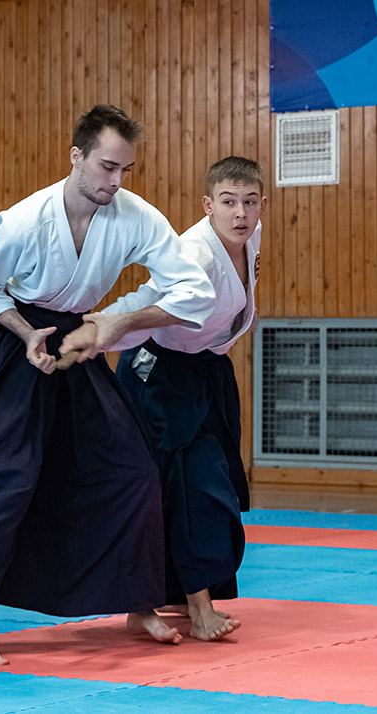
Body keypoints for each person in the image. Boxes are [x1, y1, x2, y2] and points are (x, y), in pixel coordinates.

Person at [0, 105, 216, 664]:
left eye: (125, 169)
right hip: (8, 344)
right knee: (4, 478)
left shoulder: (137, 217)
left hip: (76, 339)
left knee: (130, 470)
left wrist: (117, 322)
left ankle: (138, 600)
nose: (116, 181)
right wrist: (28, 333)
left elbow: (194, 291)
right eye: (106, 167)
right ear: (76, 156)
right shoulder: (26, 221)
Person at [107, 156, 266, 641]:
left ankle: (160, 595)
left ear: (262, 205)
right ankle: (199, 608)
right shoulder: (195, 254)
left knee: (208, 480)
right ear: (207, 205)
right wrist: (99, 328)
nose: (240, 213)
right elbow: (146, 302)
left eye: (250, 202)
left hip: (204, 369)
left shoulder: (249, 236)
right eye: (228, 202)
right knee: (193, 483)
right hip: (156, 373)